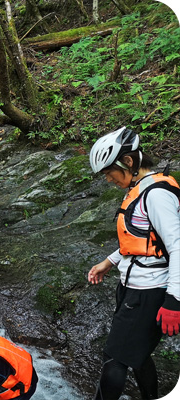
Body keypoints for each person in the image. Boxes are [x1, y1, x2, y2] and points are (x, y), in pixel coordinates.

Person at [87, 127, 180, 400]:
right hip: (134, 286)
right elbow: (143, 239)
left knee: (114, 358)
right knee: (137, 354)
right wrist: (109, 261)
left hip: (149, 290)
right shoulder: (141, 189)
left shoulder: (156, 195)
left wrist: (174, 300)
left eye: (108, 172)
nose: (107, 179)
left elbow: (177, 246)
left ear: (128, 162)